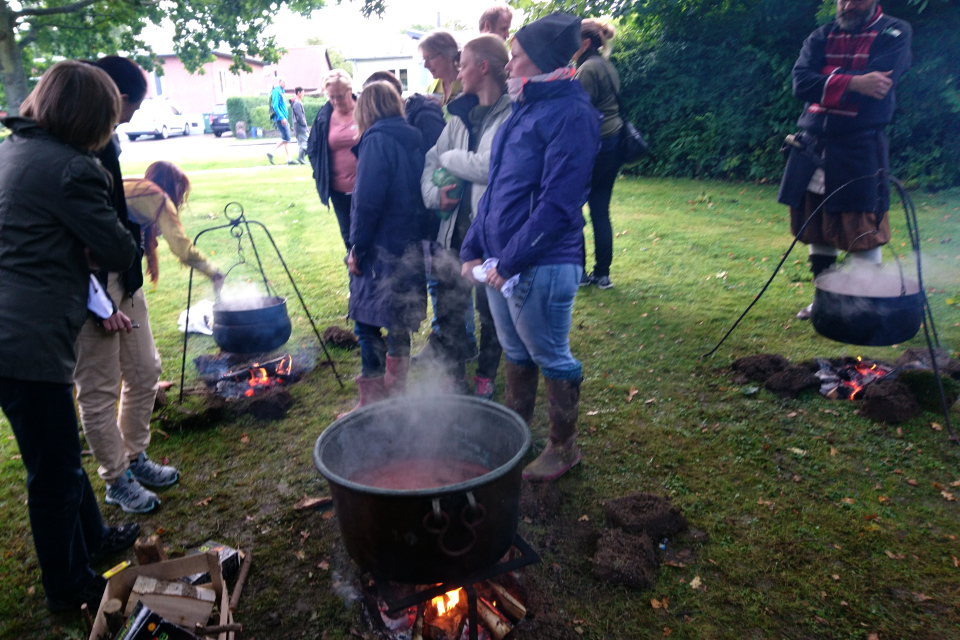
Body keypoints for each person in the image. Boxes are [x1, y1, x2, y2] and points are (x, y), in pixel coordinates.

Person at [0, 60, 140, 612]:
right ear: (91, 116)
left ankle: (97, 538)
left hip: (13, 330)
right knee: (54, 472)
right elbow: (117, 249)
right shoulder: (71, 169)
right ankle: (69, 587)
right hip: (24, 341)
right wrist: (90, 244)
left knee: (60, 452)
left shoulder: (13, 150)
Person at [460, 12, 601, 481]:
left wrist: (513, 259)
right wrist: (472, 247)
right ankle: (515, 435)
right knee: (515, 354)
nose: (507, 63)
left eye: (515, 56)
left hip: (541, 262)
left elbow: (559, 204)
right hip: (503, 263)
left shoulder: (572, 114)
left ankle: (564, 449)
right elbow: (498, 189)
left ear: (538, 61)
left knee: (551, 355)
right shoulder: (523, 107)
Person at [778, 0, 912, 319]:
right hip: (813, 145)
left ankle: (865, 305)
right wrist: (854, 81)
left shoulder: (895, 32)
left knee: (864, 226)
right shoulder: (821, 36)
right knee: (818, 226)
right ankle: (824, 301)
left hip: (860, 145)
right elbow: (800, 84)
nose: (848, 4)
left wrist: (826, 77)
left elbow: (879, 85)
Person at [420, 34, 512, 398]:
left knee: (490, 313)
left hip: (491, 238)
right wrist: (434, 195)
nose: (458, 69)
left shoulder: (511, 114)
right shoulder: (457, 117)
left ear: (483, 67)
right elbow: (431, 158)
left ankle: (485, 376)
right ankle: (453, 376)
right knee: (449, 311)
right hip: (451, 236)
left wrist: (451, 160)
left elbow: (490, 168)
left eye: (464, 63)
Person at [342, 82, 428, 413]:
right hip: (408, 245)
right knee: (398, 321)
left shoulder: (376, 141)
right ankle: (395, 397)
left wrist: (357, 249)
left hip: (381, 249)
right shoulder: (409, 140)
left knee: (366, 324)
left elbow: (366, 204)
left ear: (365, 109)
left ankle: (372, 401)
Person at [574, 18, 623, 290]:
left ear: (585, 43)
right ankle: (602, 274)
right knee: (601, 211)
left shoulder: (587, 69)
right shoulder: (606, 65)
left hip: (595, 146)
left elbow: (578, 113)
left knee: (574, 207)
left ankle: (579, 272)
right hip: (614, 143)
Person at [306, 69, 359, 252]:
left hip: (366, 189)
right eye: (331, 97)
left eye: (339, 96)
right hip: (338, 191)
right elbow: (312, 149)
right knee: (348, 238)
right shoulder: (324, 116)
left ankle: (376, 278)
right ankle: (356, 278)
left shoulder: (367, 110)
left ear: (350, 90)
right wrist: (320, 173)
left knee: (370, 236)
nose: (335, 101)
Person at [420, 29, 462, 107]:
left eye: (431, 58)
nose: (425, 65)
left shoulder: (467, 86)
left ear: (449, 54)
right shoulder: (431, 89)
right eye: (424, 59)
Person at [267, 76, 294, 165]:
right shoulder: (276, 91)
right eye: (283, 82)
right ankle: (273, 152)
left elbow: (282, 107)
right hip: (280, 119)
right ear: (279, 82)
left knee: (286, 139)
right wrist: (282, 117)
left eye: (286, 82)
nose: (285, 84)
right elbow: (275, 106)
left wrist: (286, 120)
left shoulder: (281, 92)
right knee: (286, 138)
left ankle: (288, 158)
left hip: (283, 119)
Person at [291, 86, 309, 164]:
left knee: (302, 143)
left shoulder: (296, 102)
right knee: (307, 142)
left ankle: (301, 159)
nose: (303, 94)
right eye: (303, 92)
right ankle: (301, 158)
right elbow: (300, 116)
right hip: (300, 127)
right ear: (299, 93)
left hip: (298, 127)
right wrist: (304, 124)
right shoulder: (297, 103)